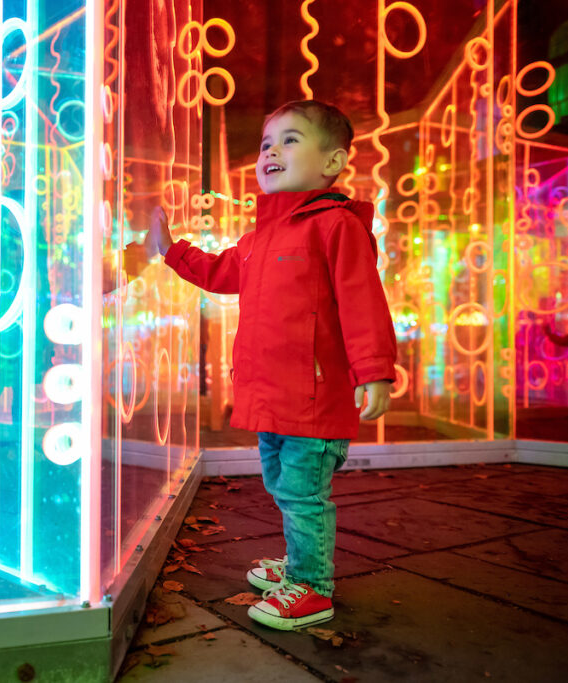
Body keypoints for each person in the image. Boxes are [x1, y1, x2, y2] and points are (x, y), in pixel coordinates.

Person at [146, 100, 397, 630]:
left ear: (332, 163)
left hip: (315, 397)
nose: (271, 151)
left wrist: (372, 370)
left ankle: (312, 586)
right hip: (271, 396)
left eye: (289, 139)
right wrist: (171, 251)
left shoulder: (336, 226)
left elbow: (362, 300)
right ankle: (301, 562)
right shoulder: (259, 239)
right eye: (266, 143)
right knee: (284, 486)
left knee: (304, 493)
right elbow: (218, 272)